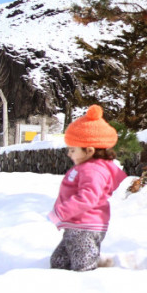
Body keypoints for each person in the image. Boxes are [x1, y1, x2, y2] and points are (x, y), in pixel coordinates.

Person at [48, 105, 127, 271]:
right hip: (76, 225)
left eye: (72, 149)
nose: (69, 154)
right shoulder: (86, 167)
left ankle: (88, 284)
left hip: (85, 226)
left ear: (89, 150)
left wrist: (61, 212)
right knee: (59, 261)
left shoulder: (93, 170)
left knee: (83, 265)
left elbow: (88, 197)